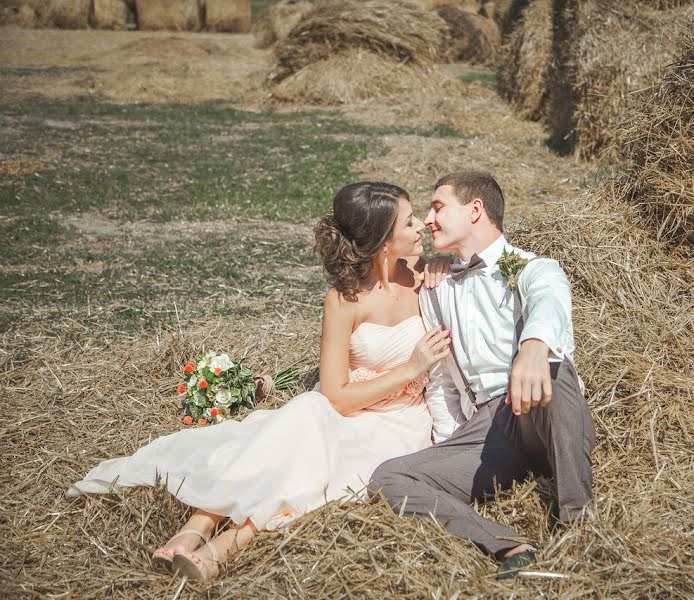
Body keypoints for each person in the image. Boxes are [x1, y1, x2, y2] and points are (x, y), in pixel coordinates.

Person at [67, 182, 454, 581]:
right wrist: (409, 368)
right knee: (305, 414)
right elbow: (336, 396)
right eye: (409, 222)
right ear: (382, 242)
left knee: (320, 467)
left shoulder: (427, 274)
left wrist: (444, 269)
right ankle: (194, 528)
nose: (421, 226)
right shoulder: (343, 300)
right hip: (342, 410)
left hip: (400, 423)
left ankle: (226, 546)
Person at [368, 172, 595, 579]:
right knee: (389, 477)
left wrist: (534, 346)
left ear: (475, 210)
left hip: (545, 410)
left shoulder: (533, 267)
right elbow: (440, 377)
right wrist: (451, 437)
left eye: (437, 207)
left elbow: (550, 300)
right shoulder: (436, 286)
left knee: (555, 371)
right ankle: (509, 546)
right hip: (488, 428)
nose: (428, 219)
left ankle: (578, 523)